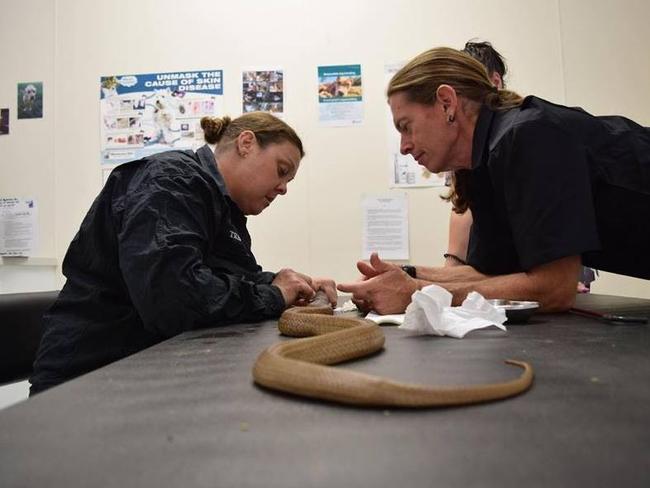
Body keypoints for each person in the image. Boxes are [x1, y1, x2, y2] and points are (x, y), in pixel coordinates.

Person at [30, 112, 336, 394]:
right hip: (88, 380)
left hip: (140, 370)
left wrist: (292, 284)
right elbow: (174, 298)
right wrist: (274, 295)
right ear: (246, 143)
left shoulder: (223, 208)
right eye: (281, 171)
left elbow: (226, 278)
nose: (283, 188)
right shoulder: (170, 182)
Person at [338, 47, 649, 314]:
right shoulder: (481, 167)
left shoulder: (528, 135)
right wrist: (404, 274)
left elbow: (555, 287)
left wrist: (417, 292)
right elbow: (488, 274)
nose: (404, 147)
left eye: (406, 126)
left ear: (447, 102)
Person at [446, 41, 597, 292]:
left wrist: (564, 276)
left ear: (494, 82)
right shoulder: (475, 146)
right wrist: (450, 270)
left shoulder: (527, 130)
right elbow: (463, 207)